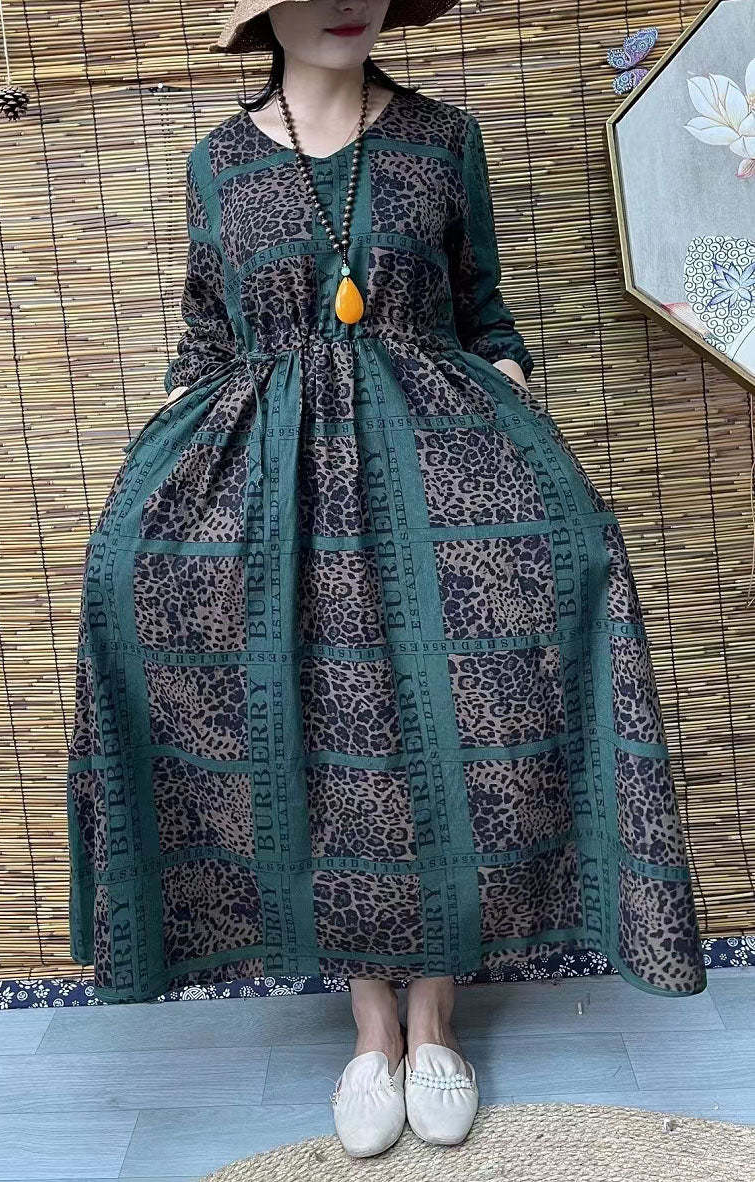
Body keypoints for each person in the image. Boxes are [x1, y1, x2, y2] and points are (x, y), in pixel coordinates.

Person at [65, 0, 708, 1159]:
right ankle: (370, 1028)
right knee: (323, 731)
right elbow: (208, 333)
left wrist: (510, 383)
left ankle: (434, 1020)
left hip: (432, 467)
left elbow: (481, 310)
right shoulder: (217, 162)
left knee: (445, 718)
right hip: (277, 484)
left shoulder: (441, 137)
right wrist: (172, 445)